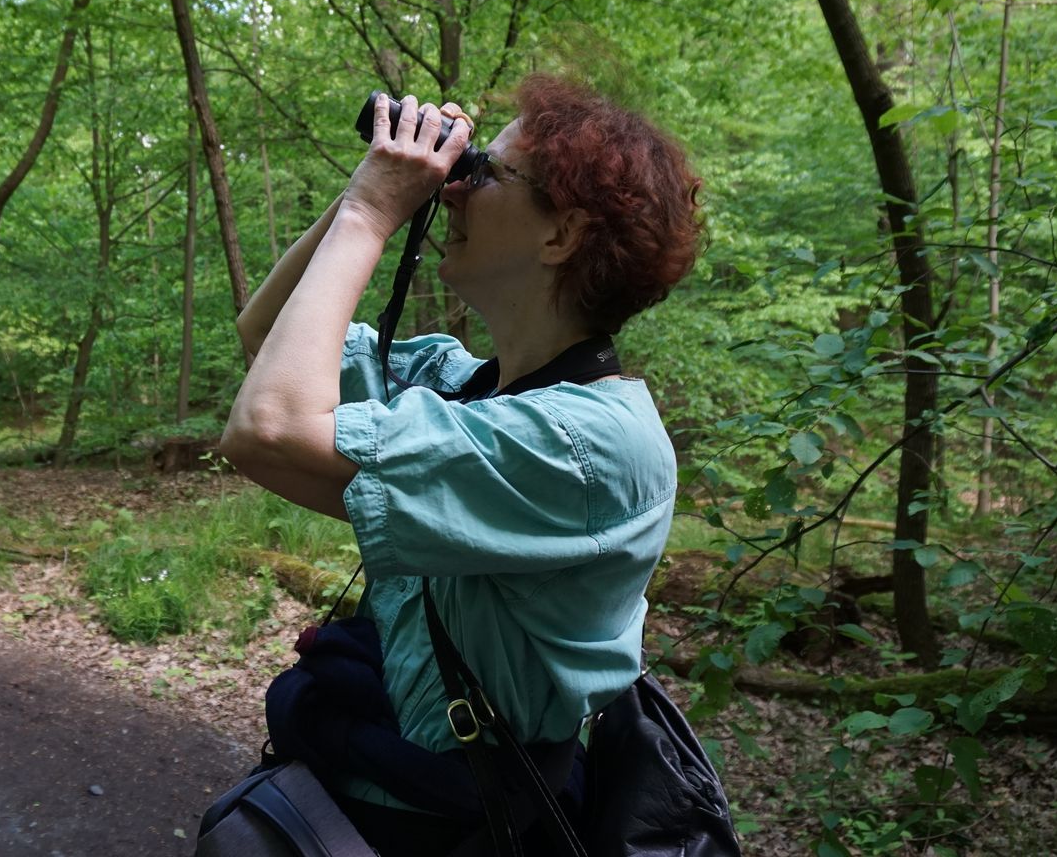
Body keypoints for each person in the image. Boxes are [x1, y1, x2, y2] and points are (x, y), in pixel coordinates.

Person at [219, 74, 703, 854]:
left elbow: (266, 429)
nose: (450, 191)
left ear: (560, 235)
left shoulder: (589, 445)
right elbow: (268, 335)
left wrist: (373, 212)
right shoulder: (464, 385)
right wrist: (368, 188)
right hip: (376, 789)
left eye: (482, 174)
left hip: (448, 826)